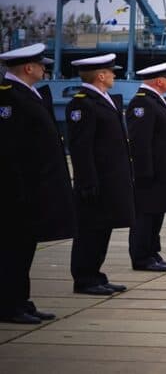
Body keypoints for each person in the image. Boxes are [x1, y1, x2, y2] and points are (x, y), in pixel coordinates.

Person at [0, 43, 76, 324]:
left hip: (33, 189)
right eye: (41, 65)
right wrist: (19, 191)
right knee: (13, 250)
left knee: (25, 248)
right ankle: (9, 305)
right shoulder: (9, 98)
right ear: (28, 68)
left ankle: (21, 300)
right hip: (17, 192)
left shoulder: (28, 94)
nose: (45, 69)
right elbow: (9, 150)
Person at [67, 53, 133, 295]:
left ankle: (96, 274)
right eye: (111, 71)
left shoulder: (104, 100)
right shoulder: (82, 103)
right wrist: (86, 180)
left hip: (110, 179)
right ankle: (84, 278)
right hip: (95, 180)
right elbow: (81, 147)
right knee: (90, 230)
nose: (115, 75)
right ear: (101, 76)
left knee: (103, 228)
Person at [126, 62, 166, 271]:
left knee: (157, 214)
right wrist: (144, 173)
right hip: (150, 173)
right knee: (145, 216)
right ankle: (142, 256)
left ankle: (153, 253)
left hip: (162, 172)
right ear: (160, 81)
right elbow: (140, 142)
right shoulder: (143, 104)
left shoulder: (156, 101)